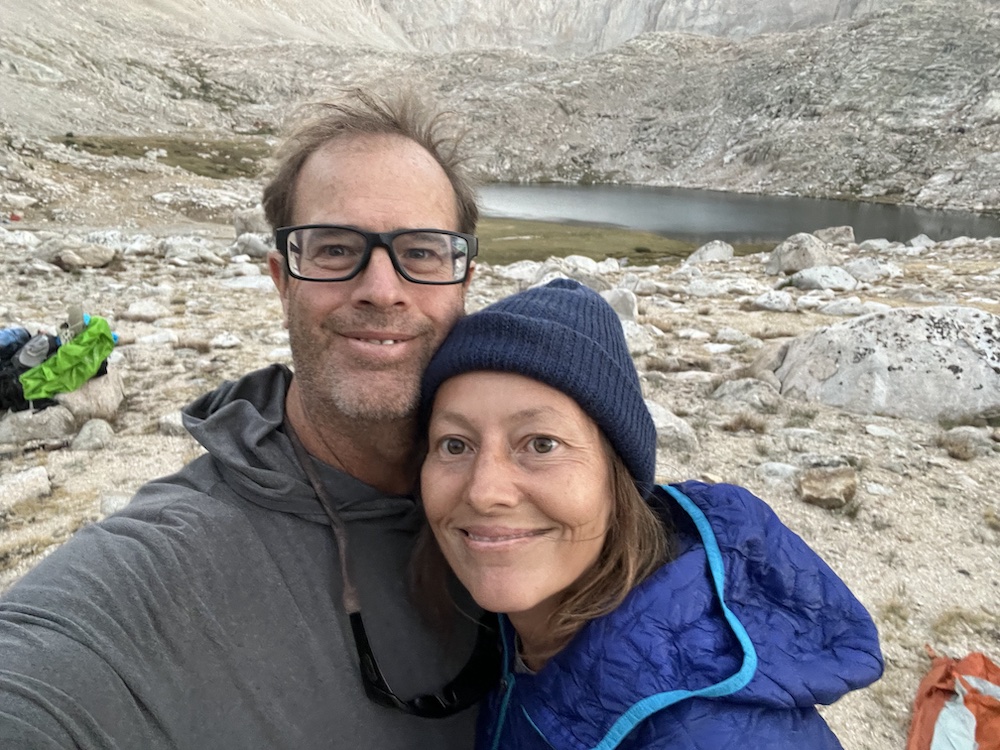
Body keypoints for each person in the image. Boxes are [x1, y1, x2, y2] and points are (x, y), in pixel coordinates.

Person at [0, 88, 496, 748]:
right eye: (335, 249)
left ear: (463, 280)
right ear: (281, 279)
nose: (382, 290)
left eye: (423, 252)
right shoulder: (161, 568)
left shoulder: (526, 491)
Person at [417, 278, 885, 749]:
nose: (484, 492)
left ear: (617, 475)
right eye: (455, 445)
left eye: (542, 444)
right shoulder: (518, 628)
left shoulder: (710, 735)